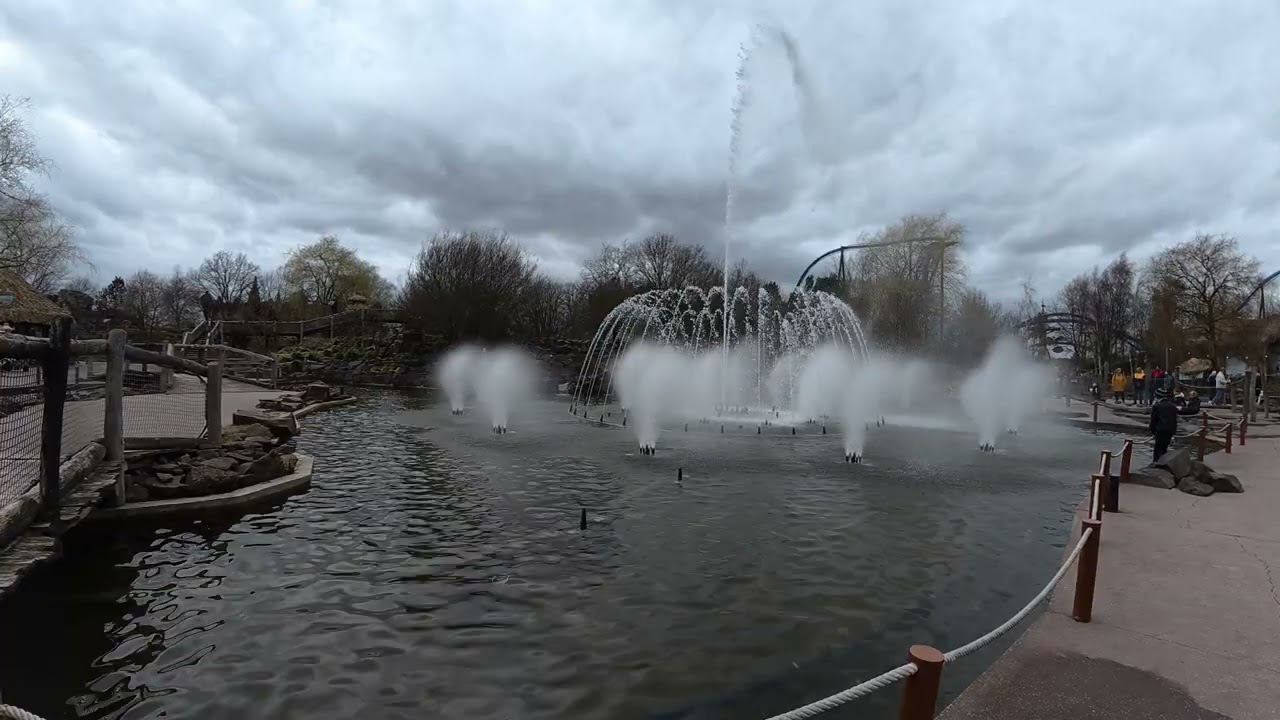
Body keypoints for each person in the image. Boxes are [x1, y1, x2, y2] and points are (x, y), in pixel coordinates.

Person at [1150, 387, 1178, 461]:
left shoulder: (1157, 406)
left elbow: (1153, 420)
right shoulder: (1173, 406)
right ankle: (1163, 462)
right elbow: (1174, 420)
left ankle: (1156, 463)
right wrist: (1174, 432)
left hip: (1160, 430)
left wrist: (1153, 431)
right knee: (1164, 448)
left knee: (1157, 450)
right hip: (1170, 430)